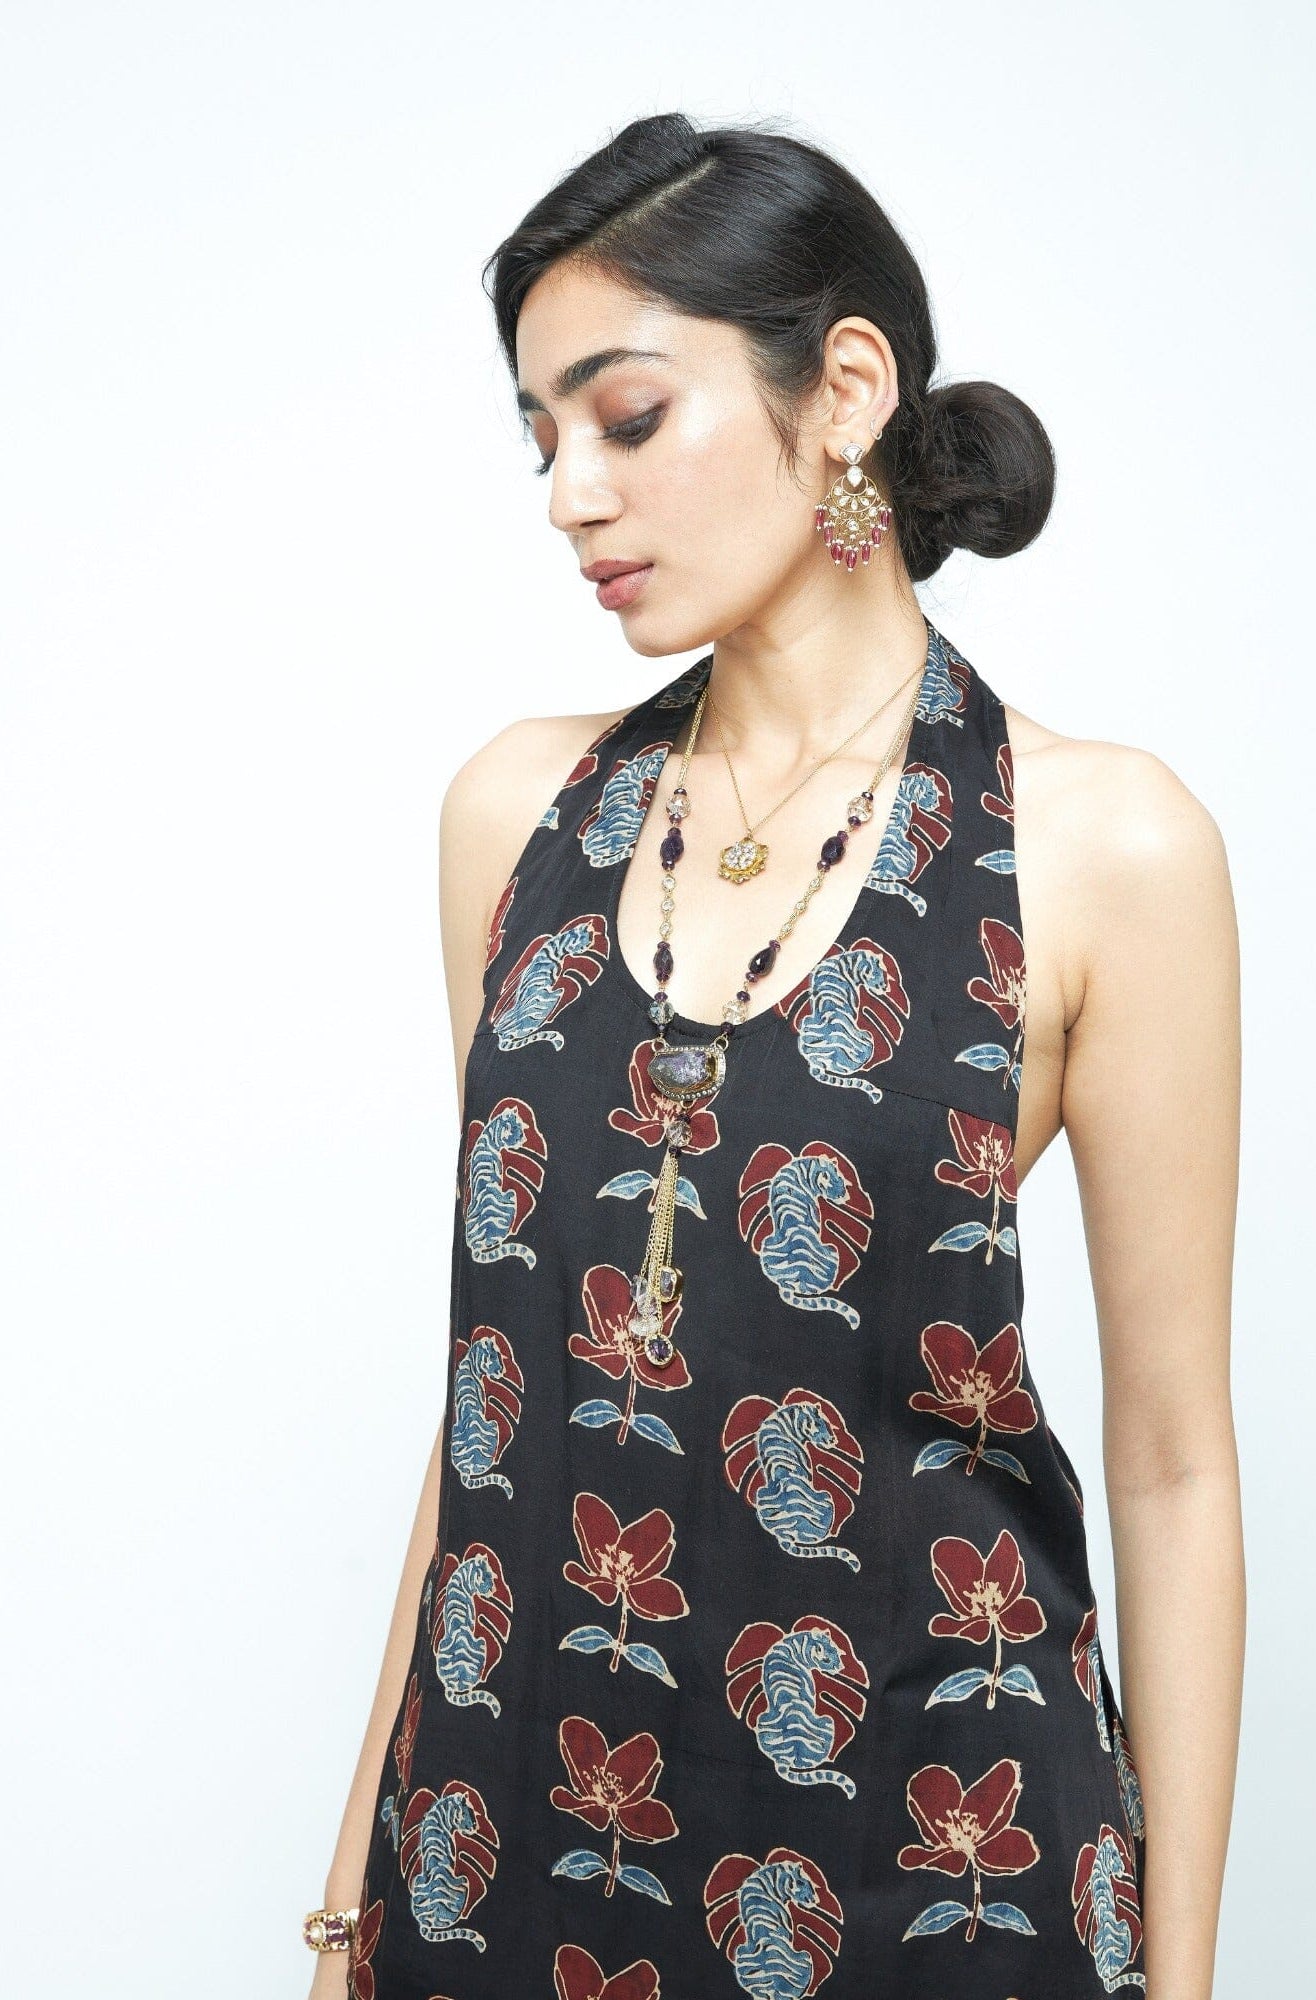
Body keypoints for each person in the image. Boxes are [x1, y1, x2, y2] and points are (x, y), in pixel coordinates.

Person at [304, 113, 1243, 2000]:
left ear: (847, 394)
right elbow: (498, 1391)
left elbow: (1170, 1467)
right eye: (540, 438)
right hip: (510, 1851)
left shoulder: (1096, 847)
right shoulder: (518, 816)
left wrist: (1183, 1977)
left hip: (933, 1866)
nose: (568, 495)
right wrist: (349, 1908)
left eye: (625, 416)